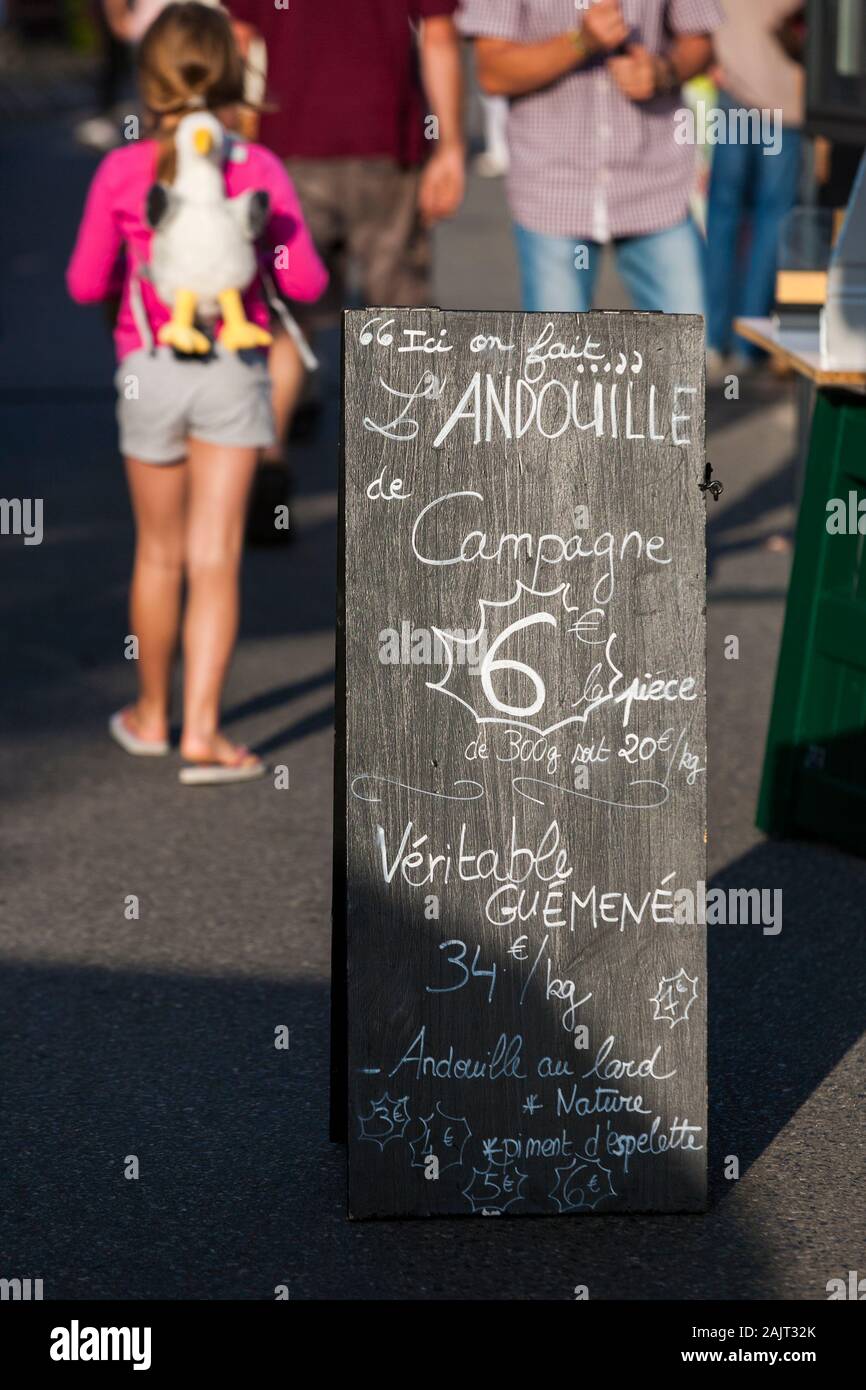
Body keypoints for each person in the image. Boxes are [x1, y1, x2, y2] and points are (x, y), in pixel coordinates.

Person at [67, 2, 327, 783]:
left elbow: (85, 283)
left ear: (150, 81)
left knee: (159, 553)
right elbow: (306, 280)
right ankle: (205, 734)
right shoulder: (259, 170)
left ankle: (150, 714)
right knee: (216, 558)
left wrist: (132, 268)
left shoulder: (122, 169)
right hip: (232, 373)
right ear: (231, 76)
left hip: (149, 367)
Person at [225, 0, 466, 460]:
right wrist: (450, 147)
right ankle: (409, 468)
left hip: (290, 146)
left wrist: (232, 150)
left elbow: (236, 42)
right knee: (401, 316)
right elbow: (438, 35)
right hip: (385, 142)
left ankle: (267, 462)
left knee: (287, 315)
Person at [458, 0, 721, 315]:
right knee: (557, 357)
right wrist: (580, 42)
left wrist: (662, 71)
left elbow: (701, 42)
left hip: (655, 186)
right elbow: (492, 73)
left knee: (685, 354)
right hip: (553, 187)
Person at [706, 1, 805, 374]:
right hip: (783, 96)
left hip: (740, 85)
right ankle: (746, 344)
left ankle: (718, 338)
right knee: (770, 217)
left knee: (727, 213)